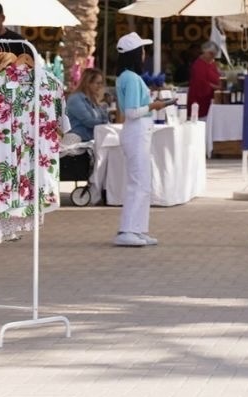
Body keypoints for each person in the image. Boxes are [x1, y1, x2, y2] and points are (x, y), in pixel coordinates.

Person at [113, 33, 172, 247]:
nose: (144, 52)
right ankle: (127, 229)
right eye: (142, 49)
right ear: (136, 53)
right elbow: (131, 112)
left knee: (143, 183)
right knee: (138, 183)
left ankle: (138, 228)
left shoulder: (127, 77)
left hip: (138, 132)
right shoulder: (131, 77)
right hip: (136, 131)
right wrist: (154, 106)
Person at [65, 68, 111, 143]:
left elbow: (105, 119)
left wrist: (100, 102)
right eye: (98, 83)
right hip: (77, 141)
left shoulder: (92, 99)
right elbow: (89, 121)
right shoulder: (76, 99)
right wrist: (105, 123)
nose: (100, 86)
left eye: (101, 83)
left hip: (90, 141)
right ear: (88, 83)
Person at [188, 42, 221, 122]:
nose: (212, 56)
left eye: (214, 54)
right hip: (200, 101)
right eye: (211, 54)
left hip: (210, 101)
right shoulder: (198, 65)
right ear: (205, 52)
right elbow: (201, 83)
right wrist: (217, 87)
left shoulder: (212, 63)